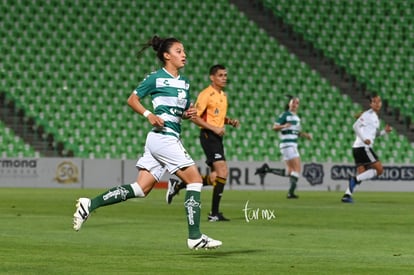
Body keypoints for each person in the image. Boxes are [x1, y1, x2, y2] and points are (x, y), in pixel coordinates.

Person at [72, 35, 222, 250]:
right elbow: (132, 99)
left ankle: (90, 203)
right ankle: (195, 236)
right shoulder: (155, 78)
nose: (184, 55)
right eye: (179, 51)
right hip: (163, 138)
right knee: (195, 181)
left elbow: (181, 110)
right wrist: (148, 115)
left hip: (164, 138)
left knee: (141, 189)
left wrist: (189, 113)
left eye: (184, 51)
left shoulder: (185, 82)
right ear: (166, 55)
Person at [165, 64, 239, 222]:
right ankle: (214, 213)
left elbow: (215, 116)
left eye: (225, 75)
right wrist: (214, 128)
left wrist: (229, 121)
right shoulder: (206, 94)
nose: (224, 78)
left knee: (214, 177)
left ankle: (178, 185)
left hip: (216, 136)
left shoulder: (223, 95)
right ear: (212, 77)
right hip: (208, 135)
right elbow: (194, 116)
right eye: (220, 75)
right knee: (223, 172)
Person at [255, 95, 312, 199]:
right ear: (289, 104)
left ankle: (267, 170)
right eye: (293, 102)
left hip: (288, 145)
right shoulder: (285, 115)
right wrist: (284, 126)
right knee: (297, 170)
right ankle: (291, 193)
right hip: (289, 144)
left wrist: (305, 135)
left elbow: (295, 131)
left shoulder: (296, 118)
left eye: (297, 103)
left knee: (289, 171)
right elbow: (274, 127)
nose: (295, 104)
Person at [341, 93, 392, 203]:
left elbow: (374, 134)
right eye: (374, 101)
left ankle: (347, 195)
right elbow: (355, 126)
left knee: (362, 174)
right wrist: (364, 139)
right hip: (363, 147)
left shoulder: (374, 117)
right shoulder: (368, 114)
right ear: (370, 104)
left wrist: (384, 132)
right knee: (379, 170)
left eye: (379, 101)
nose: (377, 103)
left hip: (357, 148)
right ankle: (353, 179)